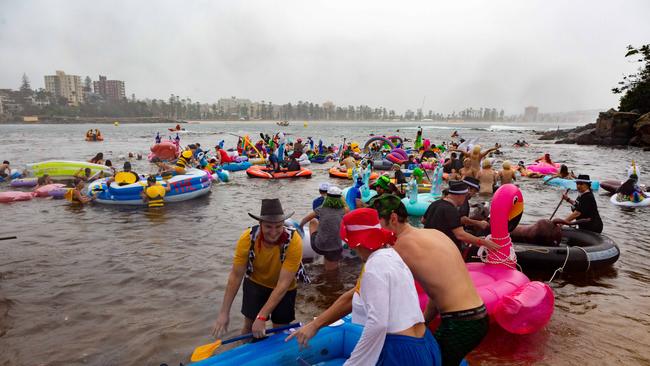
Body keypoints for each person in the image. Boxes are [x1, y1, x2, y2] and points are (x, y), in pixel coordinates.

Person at [288, 197, 489, 366]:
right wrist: (421, 325)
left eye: (378, 221)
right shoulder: (433, 234)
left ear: (392, 219)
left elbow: (357, 300)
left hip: (458, 323)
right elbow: (436, 289)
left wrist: (317, 324)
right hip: (476, 315)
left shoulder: (397, 250)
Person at [289, 208, 437, 365]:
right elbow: (352, 297)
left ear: (358, 242)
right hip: (424, 343)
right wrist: (316, 324)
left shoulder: (375, 267)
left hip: (400, 351)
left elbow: (378, 325)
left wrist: (354, 363)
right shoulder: (392, 256)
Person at [213, 199, 307, 339]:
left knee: (280, 329)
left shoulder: (294, 241)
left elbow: (283, 284)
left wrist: (262, 317)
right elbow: (235, 276)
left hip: (285, 288)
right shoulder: (247, 238)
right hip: (256, 283)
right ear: (260, 224)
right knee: (250, 327)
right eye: (268, 226)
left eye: (278, 226)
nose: (274, 232)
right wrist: (224, 313)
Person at [422, 181, 499, 256]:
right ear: (459, 196)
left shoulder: (435, 203)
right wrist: (485, 242)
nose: (465, 199)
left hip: (429, 246)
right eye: (465, 196)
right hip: (444, 251)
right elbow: (460, 235)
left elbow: (423, 220)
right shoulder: (451, 210)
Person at [299, 186, 348, 271]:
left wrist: (300, 227)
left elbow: (305, 220)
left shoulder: (321, 209)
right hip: (335, 248)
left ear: (327, 197)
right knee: (332, 273)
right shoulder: (345, 210)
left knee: (314, 221)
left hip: (319, 246)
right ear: (340, 198)